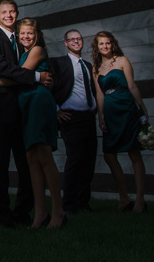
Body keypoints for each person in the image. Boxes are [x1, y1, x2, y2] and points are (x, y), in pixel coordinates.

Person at [0, 0, 52, 228]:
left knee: (27, 164)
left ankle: (22, 212)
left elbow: (33, 62)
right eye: (4, 12)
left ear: (17, 13)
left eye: (12, 11)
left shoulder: (24, 38)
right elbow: (1, 67)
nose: (9, 15)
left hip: (24, 109)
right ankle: (3, 216)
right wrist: (36, 77)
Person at [92, 31, 148, 213]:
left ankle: (140, 199)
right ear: (97, 47)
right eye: (101, 44)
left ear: (112, 44)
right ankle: (124, 198)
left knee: (134, 153)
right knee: (109, 155)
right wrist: (101, 116)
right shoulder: (96, 68)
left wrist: (142, 107)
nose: (105, 47)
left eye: (107, 43)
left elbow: (132, 85)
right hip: (110, 111)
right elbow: (99, 94)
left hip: (126, 108)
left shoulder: (122, 60)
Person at [50, 29, 97, 215]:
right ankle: (68, 204)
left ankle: (83, 202)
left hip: (88, 117)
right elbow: (47, 86)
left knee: (88, 161)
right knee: (75, 161)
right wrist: (56, 110)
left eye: (79, 39)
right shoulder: (59, 63)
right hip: (71, 118)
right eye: (72, 39)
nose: (76, 42)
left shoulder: (87, 65)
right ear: (66, 43)